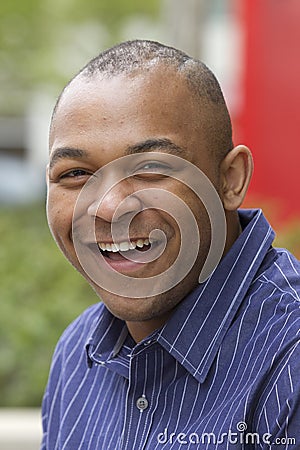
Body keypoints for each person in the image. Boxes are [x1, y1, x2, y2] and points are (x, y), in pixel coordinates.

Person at [41, 40, 300, 449]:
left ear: (231, 179)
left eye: (151, 168)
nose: (109, 207)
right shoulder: (78, 354)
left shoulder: (290, 360)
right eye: (75, 174)